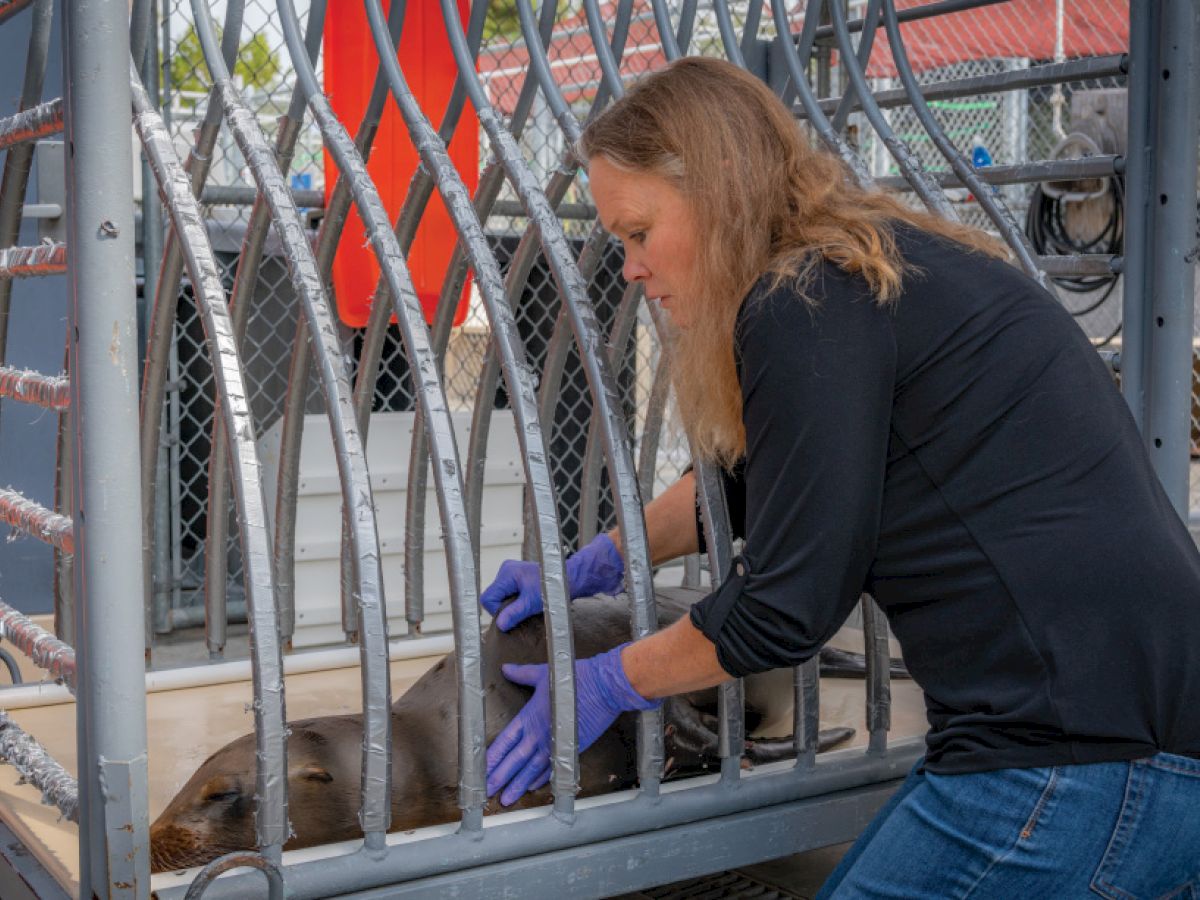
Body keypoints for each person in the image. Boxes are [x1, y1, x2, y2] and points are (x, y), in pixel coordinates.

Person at [479, 56, 1200, 897]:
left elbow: (784, 608)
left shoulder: (803, 305)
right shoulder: (857, 274)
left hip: (1076, 754)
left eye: (639, 233)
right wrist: (596, 562)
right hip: (1137, 742)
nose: (631, 267)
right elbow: (745, 486)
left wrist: (609, 681)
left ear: (716, 196)